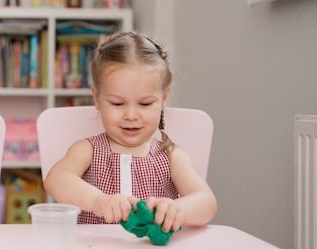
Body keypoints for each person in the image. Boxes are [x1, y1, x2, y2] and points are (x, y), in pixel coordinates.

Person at [43, 31, 217, 232]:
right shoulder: (88, 150)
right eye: (117, 103)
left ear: (163, 98)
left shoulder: (171, 156)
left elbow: (207, 203)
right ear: (97, 98)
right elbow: (55, 179)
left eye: (145, 103)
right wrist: (98, 200)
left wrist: (178, 209)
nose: (131, 115)